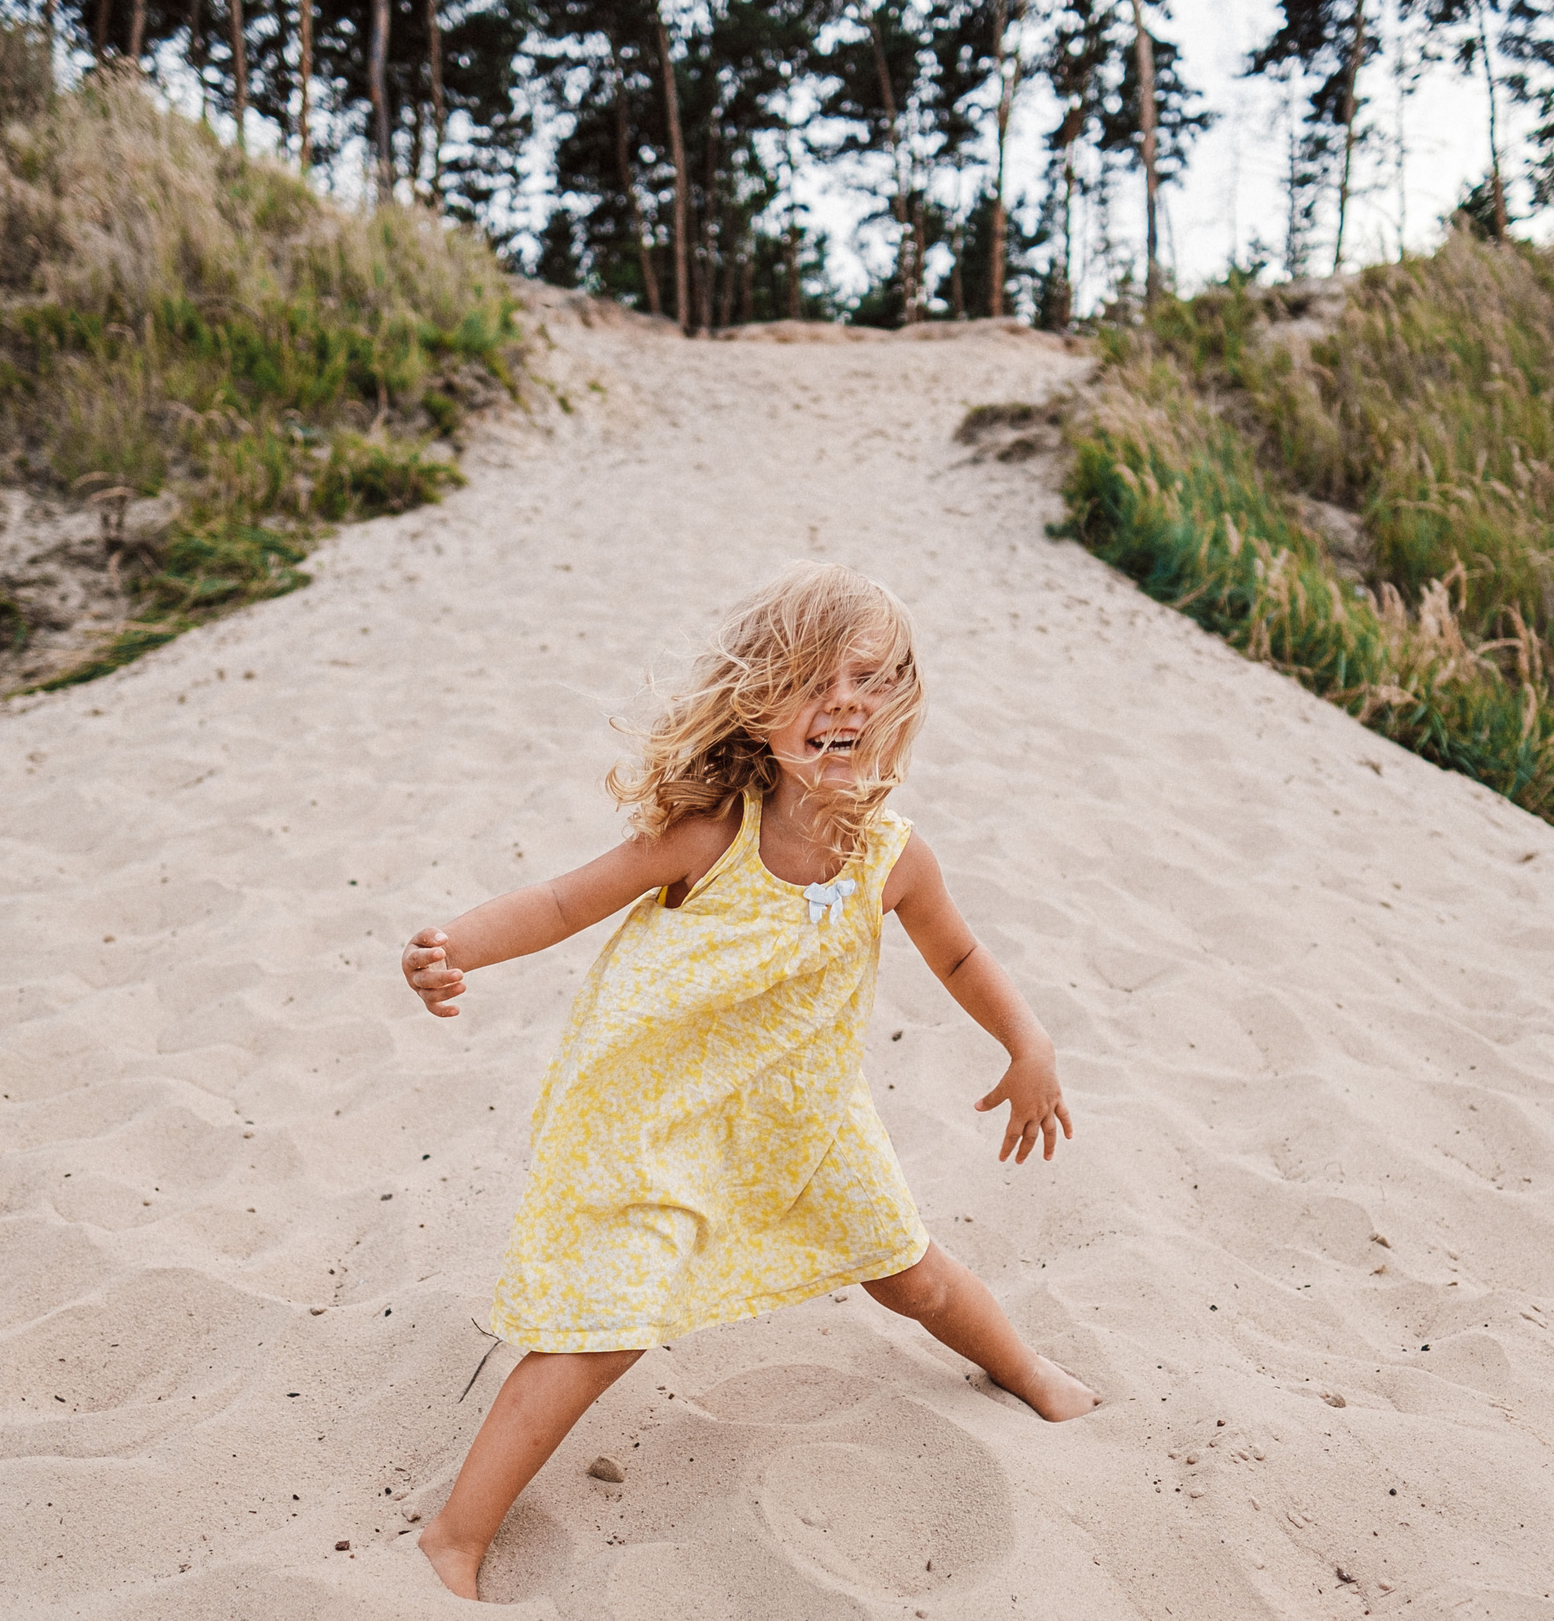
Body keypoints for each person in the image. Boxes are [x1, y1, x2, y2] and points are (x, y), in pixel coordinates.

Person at [399, 562, 1095, 1601]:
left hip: (804, 1117)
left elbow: (960, 957)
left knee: (908, 1269)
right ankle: (454, 1535)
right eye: (816, 683)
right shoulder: (708, 834)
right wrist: (452, 946)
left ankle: (1026, 1369)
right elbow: (557, 903)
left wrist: (1026, 1042)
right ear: (759, 708)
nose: (845, 703)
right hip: (664, 1120)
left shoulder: (894, 857)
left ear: (900, 706)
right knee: (610, 1328)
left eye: (870, 681)